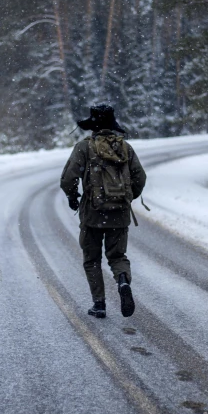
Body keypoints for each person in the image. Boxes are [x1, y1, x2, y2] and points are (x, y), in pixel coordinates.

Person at [60, 104, 146, 319]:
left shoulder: (84, 148)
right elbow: (140, 177)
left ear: (93, 126)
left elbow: (69, 178)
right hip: (119, 214)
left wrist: (73, 196)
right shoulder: (125, 148)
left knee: (92, 259)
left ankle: (99, 304)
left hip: (93, 214)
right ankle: (123, 281)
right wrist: (125, 198)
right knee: (117, 256)